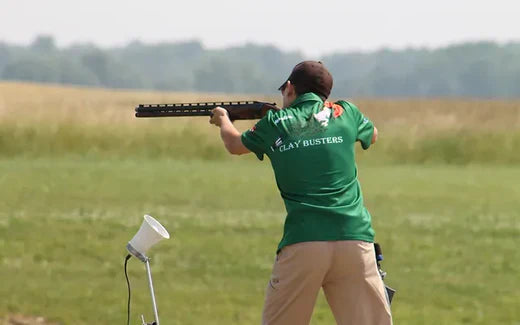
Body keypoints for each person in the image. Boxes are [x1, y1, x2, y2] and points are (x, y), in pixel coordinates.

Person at [209, 61, 392, 325]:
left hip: (304, 242)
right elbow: (372, 134)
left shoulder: (274, 123)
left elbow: (235, 145)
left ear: (291, 89)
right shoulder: (347, 112)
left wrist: (224, 119)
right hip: (355, 241)